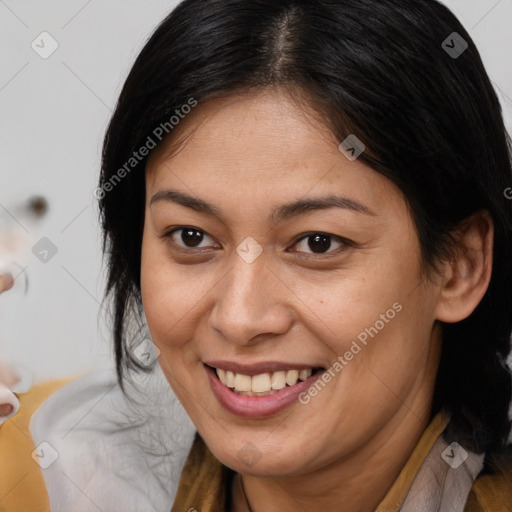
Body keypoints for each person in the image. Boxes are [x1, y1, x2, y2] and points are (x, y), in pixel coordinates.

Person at [1, 0, 512, 510]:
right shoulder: (35, 469)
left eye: (318, 243)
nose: (240, 318)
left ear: (459, 267)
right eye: (191, 237)